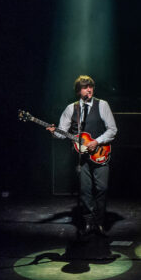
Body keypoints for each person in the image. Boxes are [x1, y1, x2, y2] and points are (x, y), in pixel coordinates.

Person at [47, 75, 118, 237]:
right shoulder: (71, 109)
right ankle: (88, 222)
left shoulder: (102, 105)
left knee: (102, 188)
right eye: (85, 87)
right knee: (85, 191)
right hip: (81, 157)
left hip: (100, 153)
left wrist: (97, 141)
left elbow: (112, 129)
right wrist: (54, 132)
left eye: (91, 86)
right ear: (78, 91)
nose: (89, 90)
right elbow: (62, 133)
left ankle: (99, 221)